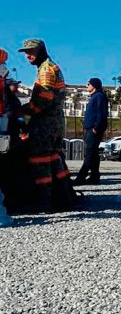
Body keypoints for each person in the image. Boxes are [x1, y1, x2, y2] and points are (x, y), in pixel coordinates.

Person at [15, 39, 68, 213]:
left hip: (46, 122)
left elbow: (43, 101)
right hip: (55, 121)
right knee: (54, 157)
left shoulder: (45, 70)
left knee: (39, 158)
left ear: (41, 51)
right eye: (26, 53)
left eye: (31, 51)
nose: (28, 56)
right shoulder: (50, 66)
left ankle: (44, 201)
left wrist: (21, 111)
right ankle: (63, 196)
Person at [73, 78, 108, 185]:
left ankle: (80, 178)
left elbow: (101, 114)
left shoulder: (99, 96)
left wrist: (96, 128)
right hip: (90, 129)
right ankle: (94, 176)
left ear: (94, 85)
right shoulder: (95, 96)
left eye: (89, 84)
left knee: (89, 154)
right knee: (93, 154)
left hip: (94, 130)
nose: (86, 85)